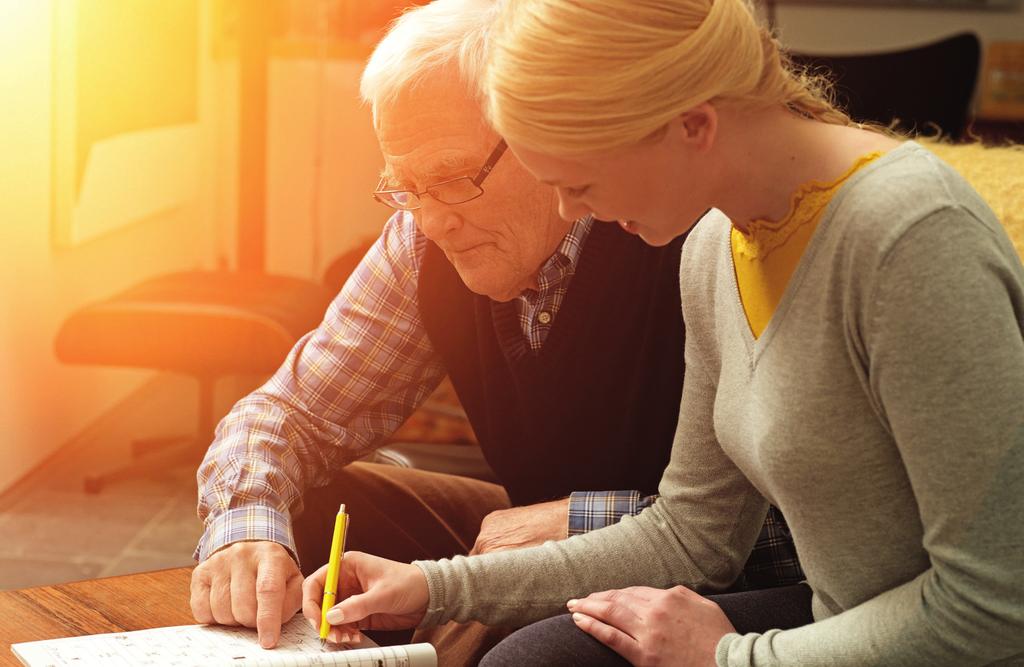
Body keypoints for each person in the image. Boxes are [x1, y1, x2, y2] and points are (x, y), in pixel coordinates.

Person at [300, 0, 1024, 665]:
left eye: (580, 182)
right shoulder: (715, 245)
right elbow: (694, 533)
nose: (565, 207)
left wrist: (733, 657)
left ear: (693, 125)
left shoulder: (910, 238)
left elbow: (997, 604)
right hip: (837, 624)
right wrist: (433, 586)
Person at [189, 0, 802, 662]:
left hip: (704, 568)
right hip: (557, 528)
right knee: (301, 511)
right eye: (405, 187)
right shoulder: (429, 231)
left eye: (453, 179)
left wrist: (582, 521)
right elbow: (289, 416)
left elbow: (793, 525)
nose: (429, 220)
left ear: (542, 129)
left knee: (534, 652)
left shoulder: (684, 219)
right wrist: (244, 532)